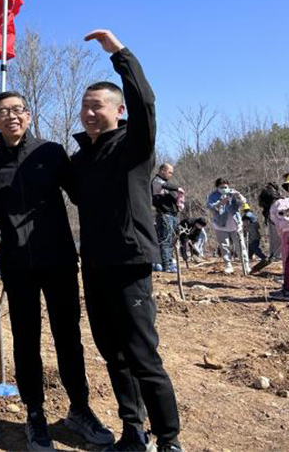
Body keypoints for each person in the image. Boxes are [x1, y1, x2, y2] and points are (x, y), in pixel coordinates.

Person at [0, 91, 114, 450]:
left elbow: (82, 193)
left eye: (18, 110)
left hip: (59, 260)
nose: (12, 117)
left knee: (68, 337)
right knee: (26, 341)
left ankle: (80, 408)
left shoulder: (51, 153)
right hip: (17, 264)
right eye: (3, 112)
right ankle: (34, 414)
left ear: (28, 114)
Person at [69, 29, 181, 452]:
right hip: (94, 266)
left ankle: (169, 439)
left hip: (130, 265)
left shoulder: (134, 146)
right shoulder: (81, 159)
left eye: (97, 106)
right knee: (112, 353)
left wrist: (120, 54)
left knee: (142, 356)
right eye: (85, 106)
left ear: (118, 111)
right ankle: (133, 429)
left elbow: (145, 102)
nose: (89, 113)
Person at [206, 178, 250, 275]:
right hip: (220, 224)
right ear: (217, 187)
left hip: (235, 224)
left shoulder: (233, 193)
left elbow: (243, 202)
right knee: (224, 246)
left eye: (226, 186)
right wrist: (220, 202)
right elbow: (209, 206)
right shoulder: (213, 196)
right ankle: (228, 266)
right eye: (221, 187)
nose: (224, 188)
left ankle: (246, 265)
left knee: (240, 245)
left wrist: (238, 195)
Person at [151, 163, 183, 273]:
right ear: (162, 170)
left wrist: (179, 202)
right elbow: (167, 186)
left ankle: (160, 264)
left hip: (172, 215)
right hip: (165, 215)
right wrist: (178, 188)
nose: (171, 175)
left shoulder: (166, 185)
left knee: (170, 240)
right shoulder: (157, 181)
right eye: (169, 172)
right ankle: (167, 265)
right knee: (165, 240)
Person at [269, 177, 289, 300]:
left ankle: (287, 291)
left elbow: (276, 218)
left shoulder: (283, 203)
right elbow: (276, 216)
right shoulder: (283, 203)